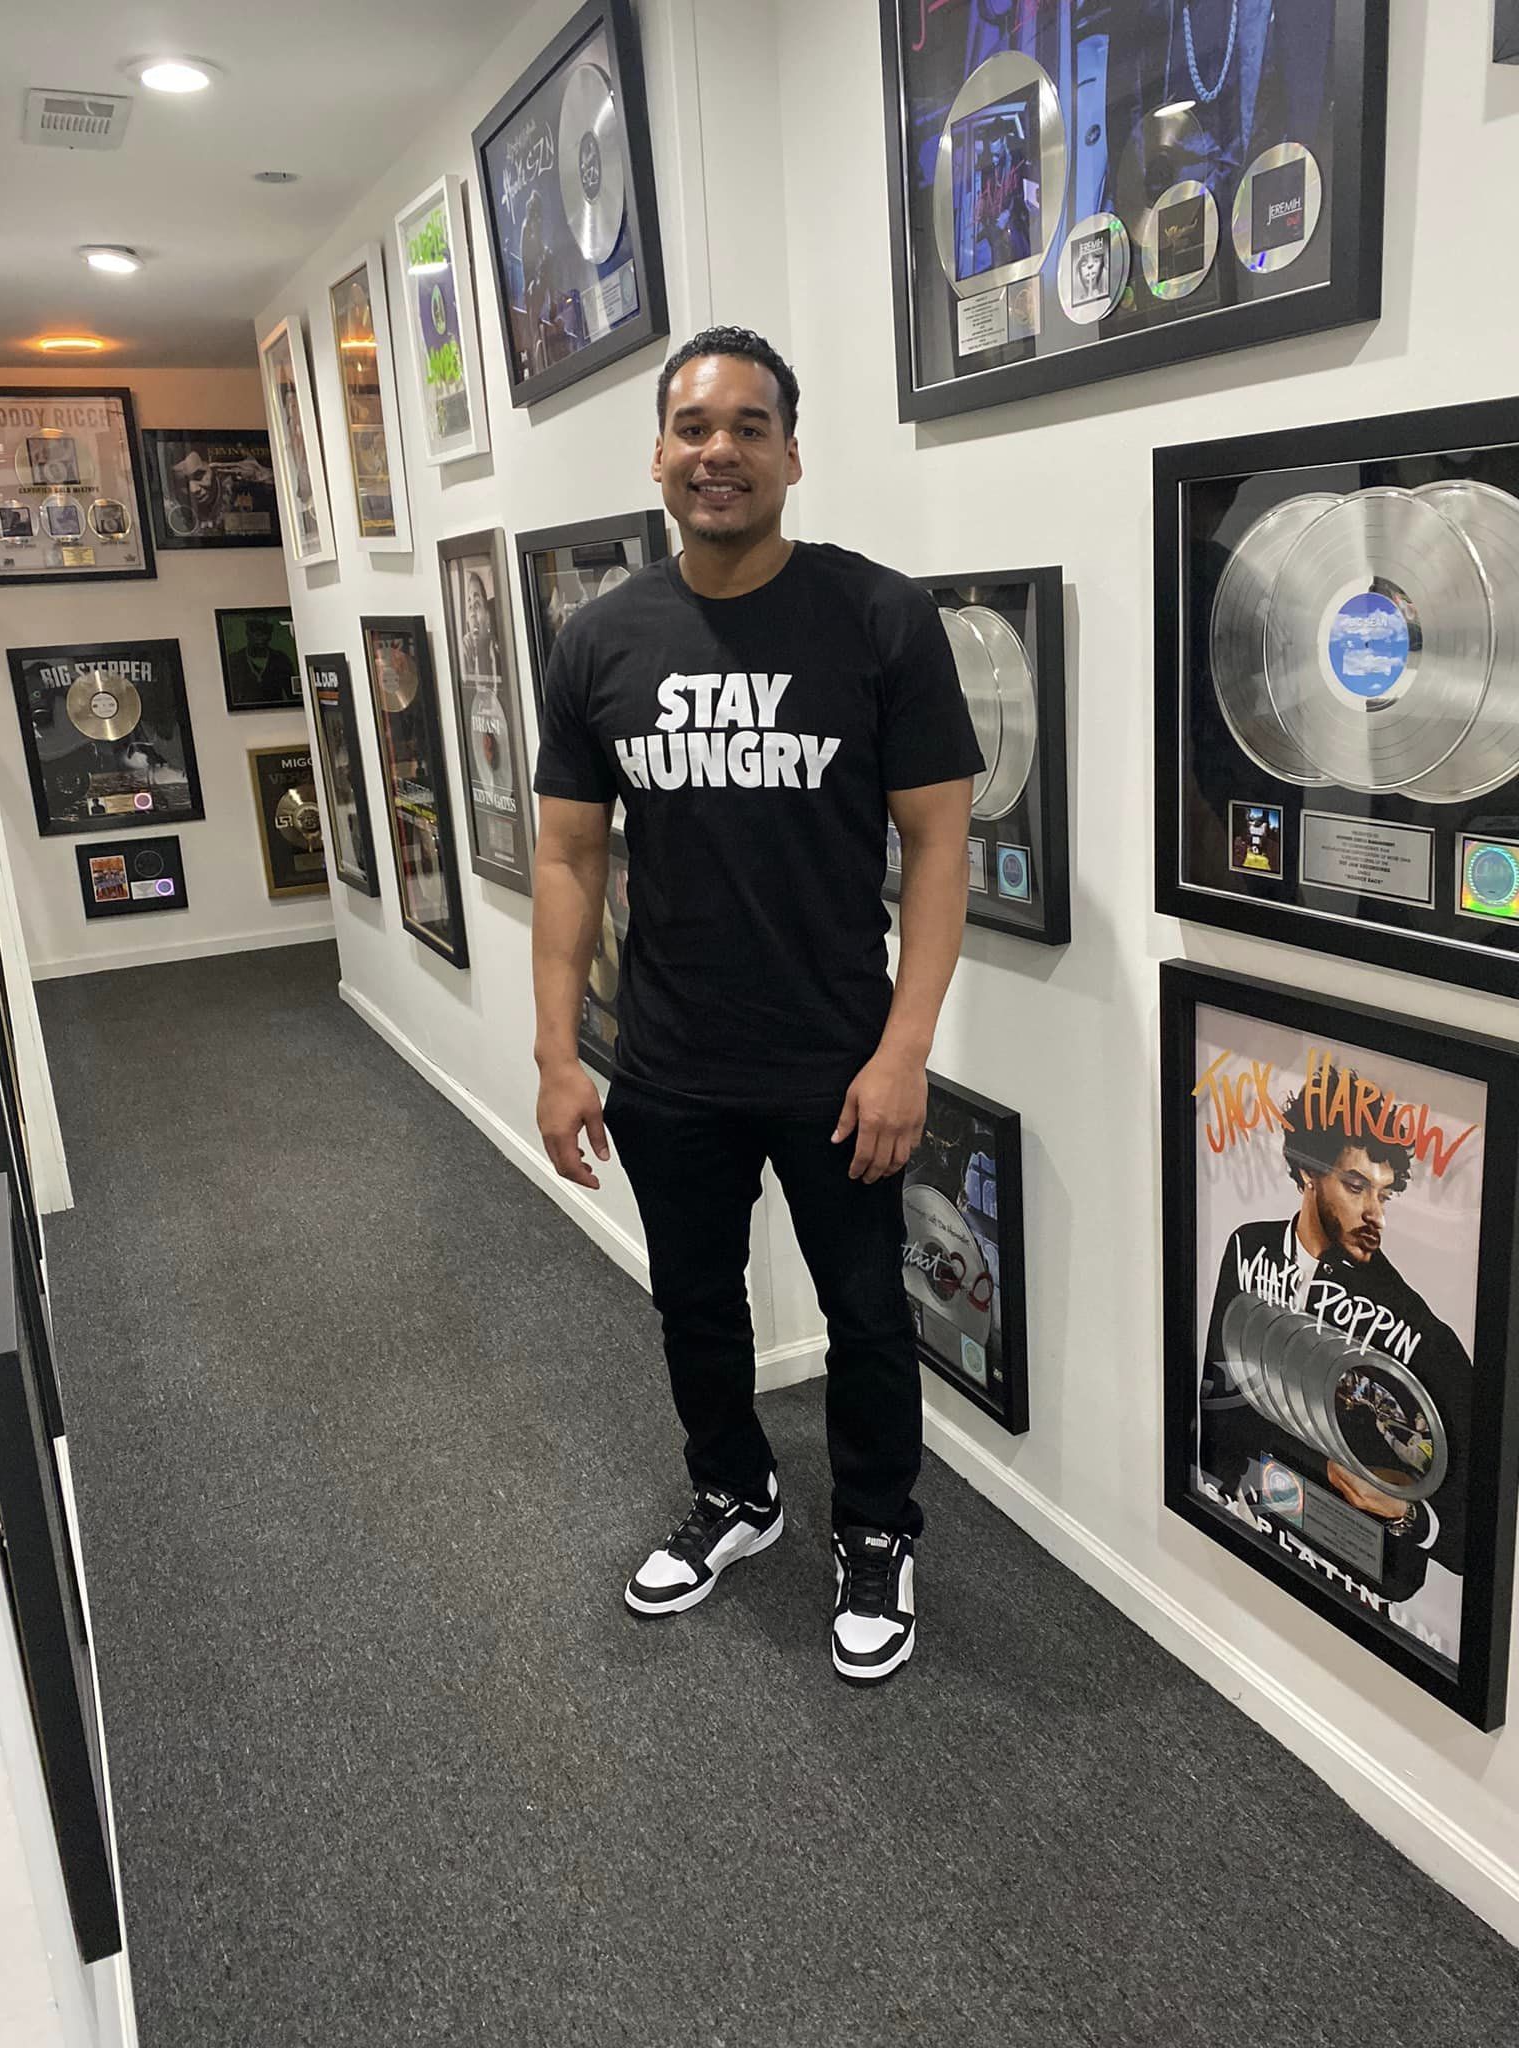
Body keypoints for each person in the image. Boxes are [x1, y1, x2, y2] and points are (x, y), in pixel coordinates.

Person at [530, 326, 983, 1686]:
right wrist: (558, 1055)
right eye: (693, 427)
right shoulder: (600, 640)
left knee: (869, 1314)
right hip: (670, 1057)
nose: (717, 451)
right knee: (695, 1303)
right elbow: (568, 857)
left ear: (792, 453)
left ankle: (877, 1529)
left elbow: (939, 847)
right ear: (659, 455)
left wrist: (906, 1052)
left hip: (839, 1056)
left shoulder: (879, 618)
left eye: (748, 427)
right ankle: (736, 1492)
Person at [1200, 1065, 1470, 1608]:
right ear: (1308, 1172)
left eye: (1384, 1195)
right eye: (1355, 1186)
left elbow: (1477, 1519)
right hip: (1249, 1521)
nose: (1374, 1215)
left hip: (1360, 1580)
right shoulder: (1249, 1248)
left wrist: (1407, 1515)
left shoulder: (1412, 1326)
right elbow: (1217, 1399)